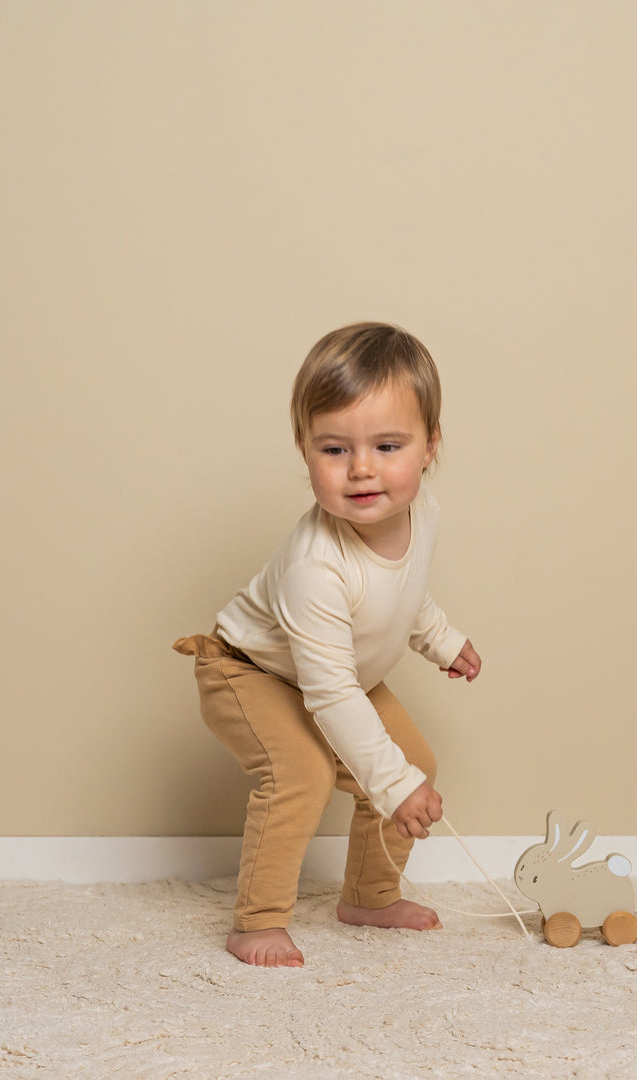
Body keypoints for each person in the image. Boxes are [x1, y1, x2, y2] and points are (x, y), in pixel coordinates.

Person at [173, 322, 481, 967]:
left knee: (412, 760)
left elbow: (402, 594)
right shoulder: (315, 566)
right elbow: (330, 693)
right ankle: (256, 921)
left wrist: (441, 640)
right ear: (305, 451)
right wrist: (393, 787)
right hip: (250, 673)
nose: (362, 469)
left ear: (430, 447)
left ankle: (369, 896)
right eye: (334, 449)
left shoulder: (421, 517)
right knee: (301, 773)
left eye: (388, 445)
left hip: (337, 674)